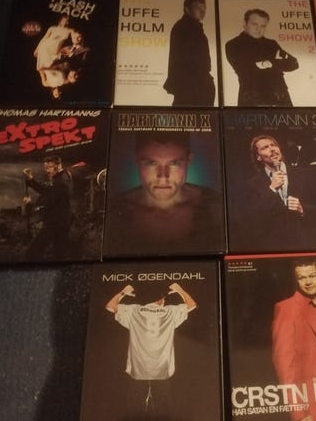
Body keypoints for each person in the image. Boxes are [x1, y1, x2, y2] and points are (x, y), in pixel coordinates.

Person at [106, 131, 223, 255]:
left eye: (174, 163)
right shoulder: (113, 211)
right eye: (151, 163)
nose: (162, 176)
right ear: (136, 159)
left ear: (189, 160)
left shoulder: (215, 206)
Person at [106, 283, 197, 418]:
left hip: (138, 370)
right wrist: (180, 290)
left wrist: (123, 292)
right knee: (163, 411)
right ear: (160, 299)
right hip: (162, 370)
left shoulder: (133, 311)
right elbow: (192, 304)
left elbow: (110, 306)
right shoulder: (170, 312)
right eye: (163, 298)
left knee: (134, 411)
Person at [272, 259, 316, 421]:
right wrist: (300, 413)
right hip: (313, 409)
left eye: (311, 276)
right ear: (296, 280)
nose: (308, 282)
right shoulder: (287, 310)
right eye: (302, 278)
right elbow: (285, 368)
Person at [234, 135, 316, 251]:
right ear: (258, 157)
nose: (272, 149)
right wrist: (271, 189)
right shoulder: (252, 184)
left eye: (273, 145)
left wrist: (302, 209)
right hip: (273, 248)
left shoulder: (306, 174)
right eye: (265, 147)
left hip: (306, 244)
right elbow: (250, 221)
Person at [225, 8, 299, 106]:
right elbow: (244, 68)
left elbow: (294, 63)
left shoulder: (271, 44)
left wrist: (268, 63)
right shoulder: (233, 44)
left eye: (263, 26)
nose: (258, 29)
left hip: (281, 97)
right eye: (254, 24)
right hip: (252, 99)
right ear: (245, 23)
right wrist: (276, 62)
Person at [163, 0, 215, 106]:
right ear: (187, 9)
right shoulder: (186, 27)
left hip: (194, 85)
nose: (202, 12)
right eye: (198, 8)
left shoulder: (191, 27)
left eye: (204, 8)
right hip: (192, 86)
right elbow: (187, 59)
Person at [22, 155, 73, 260]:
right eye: (46, 168)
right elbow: (47, 188)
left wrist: (30, 204)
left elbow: (48, 200)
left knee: (32, 253)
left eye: (50, 167)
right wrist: (31, 178)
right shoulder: (61, 177)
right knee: (59, 254)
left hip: (55, 222)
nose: (47, 171)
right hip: (61, 221)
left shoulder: (61, 182)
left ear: (59, 165)